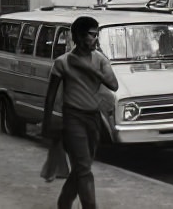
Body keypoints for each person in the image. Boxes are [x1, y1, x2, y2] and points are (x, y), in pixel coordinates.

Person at [42, 15, 118, 209]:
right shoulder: (62, 62)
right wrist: (46, 124)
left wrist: (88, 69)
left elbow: (113, 84)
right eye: (92, 35)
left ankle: (64, 201)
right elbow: (50, 96)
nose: (96, 39)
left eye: (97, 34)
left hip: (93, 118)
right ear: (79, 35)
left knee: (82, 167)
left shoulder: (100, 60)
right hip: (72, 118)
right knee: (84, 168)